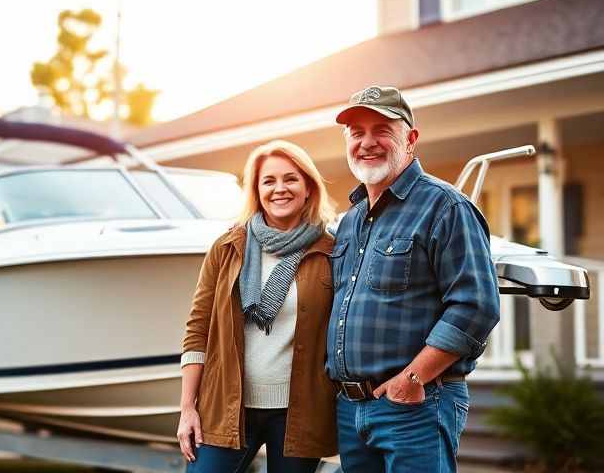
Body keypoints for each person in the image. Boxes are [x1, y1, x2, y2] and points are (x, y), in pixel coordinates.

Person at [326, 85, 500, 473]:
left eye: (382, 129)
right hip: (352, 410)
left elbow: (476, 307)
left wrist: (411, 378)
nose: (367, 142)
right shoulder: (350, 221)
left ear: (411, 139)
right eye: (357, 133)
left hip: (417, 403)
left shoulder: (446, 206)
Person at [177, 140, 338, 472]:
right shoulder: (228, 247)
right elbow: (198, 329)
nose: (280, 189)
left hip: (300, 412)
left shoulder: (330, 250)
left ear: (308, 187)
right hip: (226, 407)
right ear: (256, 190)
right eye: (269, 181)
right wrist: (187, 408)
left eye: (291, 179)